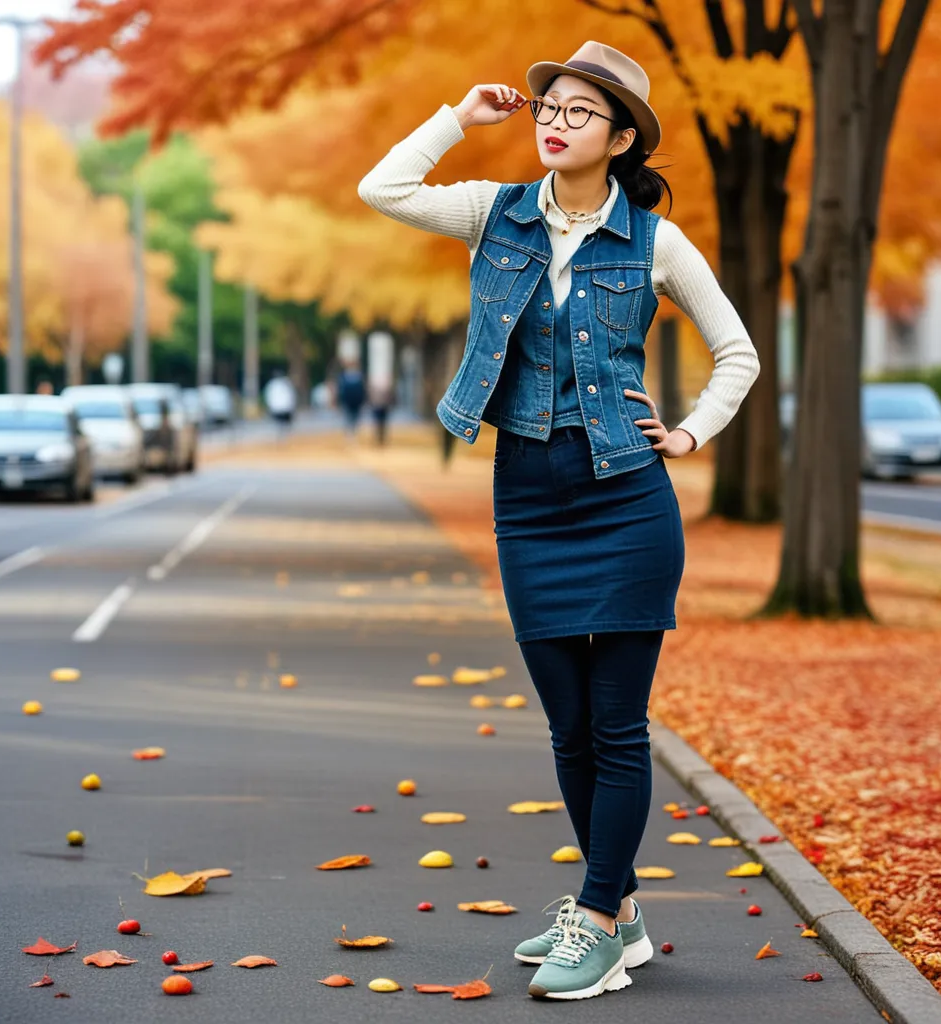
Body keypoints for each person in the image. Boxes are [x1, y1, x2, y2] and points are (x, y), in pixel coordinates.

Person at [359, 40, 760, 1001]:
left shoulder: (655, 240)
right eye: (552, 107)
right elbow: (384, 186)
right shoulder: (493, 212)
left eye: (582, 113)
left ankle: (597, 914)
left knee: (618, 726)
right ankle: (615, 914)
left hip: (626, 495)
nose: (556, 121)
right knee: (568, 727)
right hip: (529, 495)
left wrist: (693, 434)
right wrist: (462, 115)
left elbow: (736, 352)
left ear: (621, 139)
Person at [336, 362, 366, 436]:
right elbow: (340, 390)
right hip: (348, 401)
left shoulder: (358, 376)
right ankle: (350, 432)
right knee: (348, 417)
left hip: (356, 402)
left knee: (354, 418)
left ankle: (353, 431)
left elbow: (362, 390)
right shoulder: (344, 376)